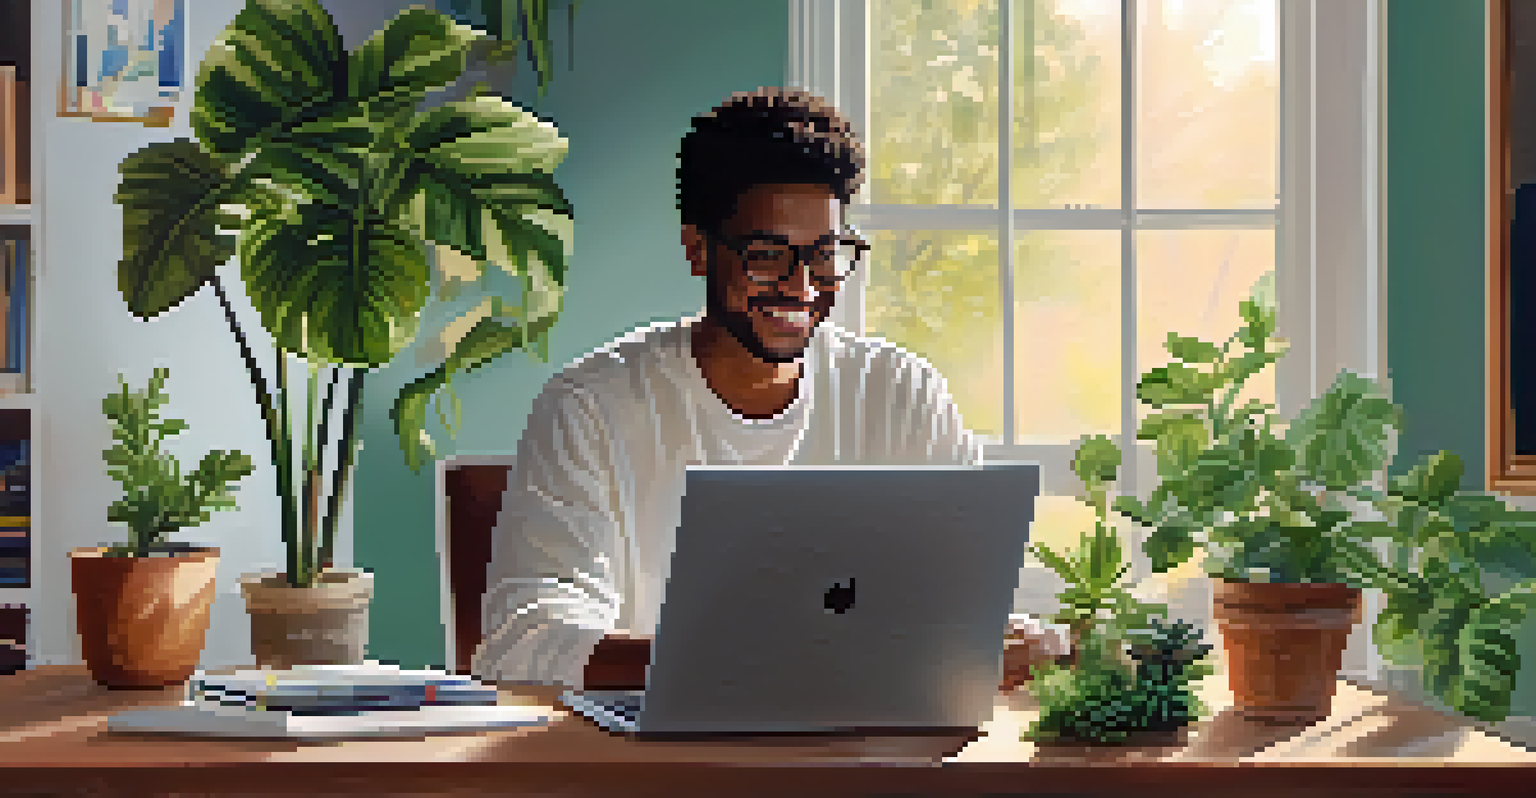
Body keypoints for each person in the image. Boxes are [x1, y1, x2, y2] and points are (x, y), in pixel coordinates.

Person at [471, 86, 1067, 692]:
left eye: (825, 254)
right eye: (766, 255)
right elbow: (525, 644)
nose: (802, 287)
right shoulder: (591, 408)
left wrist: (1015, 638)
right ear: (698, 249)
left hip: (867, 758)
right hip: (657, 765)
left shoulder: (901, 394)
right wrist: (764, 660)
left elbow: (961, 605)